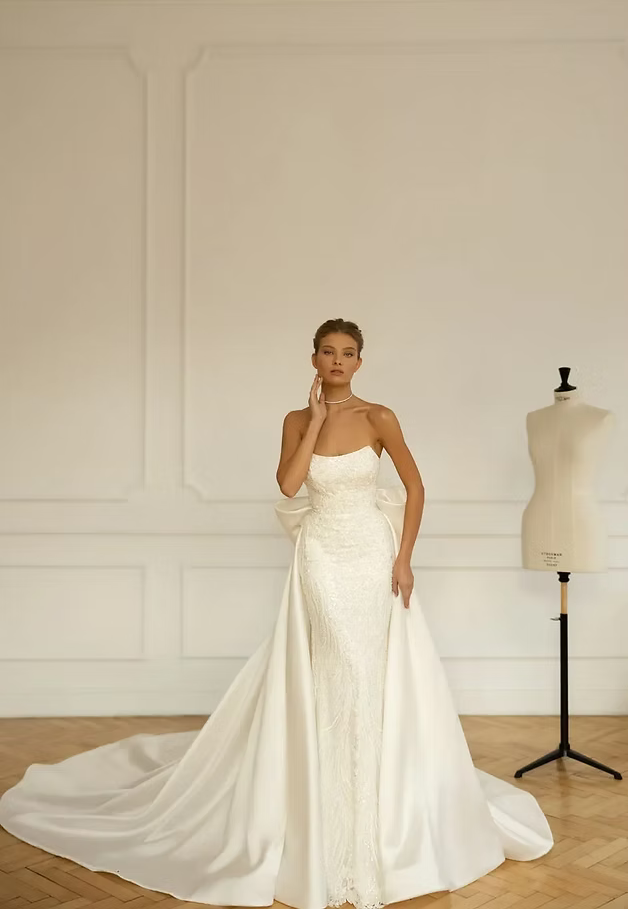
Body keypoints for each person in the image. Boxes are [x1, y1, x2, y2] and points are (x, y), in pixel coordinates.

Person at [0, 317, 553, 909]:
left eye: (348, 353)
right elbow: (290, 487)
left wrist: (405, 558)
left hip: (370, 552)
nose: (338, 361)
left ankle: (374, 803)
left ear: (361, 362)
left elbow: (416, 488)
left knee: (366, 668)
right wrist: (314, 421)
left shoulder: (379, 417)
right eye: (328, 352)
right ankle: (324, 797)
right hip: (319, 554)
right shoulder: (296, 421)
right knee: (332, 661)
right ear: (313, 359)